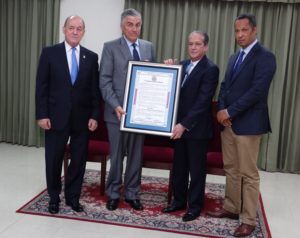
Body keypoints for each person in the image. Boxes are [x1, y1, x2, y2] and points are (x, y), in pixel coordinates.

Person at [207, 14, 276, 237]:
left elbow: (257, 92)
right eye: (237, 31)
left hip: (249, 124)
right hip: (228, 124)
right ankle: (231, 207)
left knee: (248, 173)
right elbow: (226, 86)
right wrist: (221, 110)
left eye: (244, 30)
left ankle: (248, 219)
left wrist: (230, 111)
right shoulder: (234, 57)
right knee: (232, 170)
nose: (239, 35)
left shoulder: (266, 57)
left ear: (254, 30)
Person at [35, 15, 100, 214]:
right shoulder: (49, 53)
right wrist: (42, 114)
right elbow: (41, 87)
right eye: (71, 27)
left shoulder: (91, 57)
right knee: (53, 159)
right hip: (55, 117)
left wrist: (95, 115)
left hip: (82, 119)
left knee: (79, 160)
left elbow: (94, 91)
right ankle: (54, 197)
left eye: (79, 28)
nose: (74, 31)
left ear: (83, 32)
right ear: (64, 29)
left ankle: (73, 197)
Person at [99, 8, 155, 211]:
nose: (134, 28)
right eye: (130, 24)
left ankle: (132, 193)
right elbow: (104, 80)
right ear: (122, 25)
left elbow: (153, 79)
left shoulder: (149, 47)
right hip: (116, 113)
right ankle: (113, 192)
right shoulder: (110, 47)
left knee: (135, 155)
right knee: (116, 156)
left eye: (137, 24)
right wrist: (116, 105)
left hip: (140, 115)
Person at [162, 31, 219, 222]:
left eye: (198, 44)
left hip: (196, 130)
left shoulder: (211, 69)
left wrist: (184, 125)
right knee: (179, 167)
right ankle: (178, 200)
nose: (193, 47)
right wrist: (168, 69)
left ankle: (194, 206)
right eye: (190, 44)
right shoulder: (182, 65)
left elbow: (203, 102)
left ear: (205, 47)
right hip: (178, 128)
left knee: (196, 171)